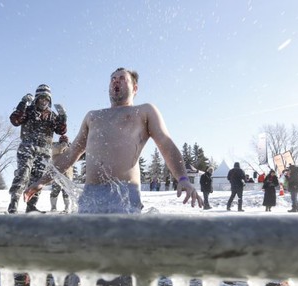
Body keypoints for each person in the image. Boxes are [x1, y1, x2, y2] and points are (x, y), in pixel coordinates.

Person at [24, 67, 200, 213]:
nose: (116, 81)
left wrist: (183, 178)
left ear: (135, 88)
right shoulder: (93, 116)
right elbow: (71, 154)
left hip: (124, 196)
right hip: (90, 197)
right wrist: (42, 181)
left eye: (122, 78)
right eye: (112, 79)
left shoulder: (144, 111)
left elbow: (166, 144)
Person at [8, 84, 67, 213]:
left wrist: (63, 116)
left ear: (49, 100)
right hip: (27, 147)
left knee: (38, 179)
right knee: (24, 174)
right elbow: (15, 120)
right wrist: (23, 103)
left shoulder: (52, 116)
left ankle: (31, 206)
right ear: (36, 99)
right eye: (41, 98)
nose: (43, 101)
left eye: (46, 99)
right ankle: (14, 202)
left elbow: (61, 131)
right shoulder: (28, 111)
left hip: (44, 150)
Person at [50, 135, 72, 213]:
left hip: (67, 173)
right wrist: (62, 146)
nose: (64, 142)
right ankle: (53, 207)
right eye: (62, 140)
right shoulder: (55, 147)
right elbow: (56, 153)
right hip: (57, 172)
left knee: (67, 192)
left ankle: (67, 207)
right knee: (55, 191)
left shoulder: (70, 148)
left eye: (65, 140)